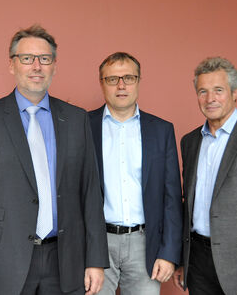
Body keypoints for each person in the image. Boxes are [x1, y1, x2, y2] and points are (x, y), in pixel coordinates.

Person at [0, 24, 109, 295]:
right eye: (27, 58)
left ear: (54, 66)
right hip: (5, 262)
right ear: (12, 65)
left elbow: (90, 194)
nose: (36, 66)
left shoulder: (76, 119)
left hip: (66, 261)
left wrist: (96, 261)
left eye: (45, 59)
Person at [88, 52, 182, 295]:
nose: (121, 85)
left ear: (139, 81)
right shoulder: (83, 126)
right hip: (97, 243)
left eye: (128, 77)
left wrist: (169, 253)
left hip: (145, 244)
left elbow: (172, 197)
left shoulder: (161, 130)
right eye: (112, 79)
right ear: (101, 83)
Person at [173, 57, 237, 295]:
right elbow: (188, 205)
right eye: (202, 91)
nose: (210, 99)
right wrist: (183, 259)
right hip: (198, 262)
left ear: (235, 93)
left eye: (218, 90)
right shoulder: (190, 141)